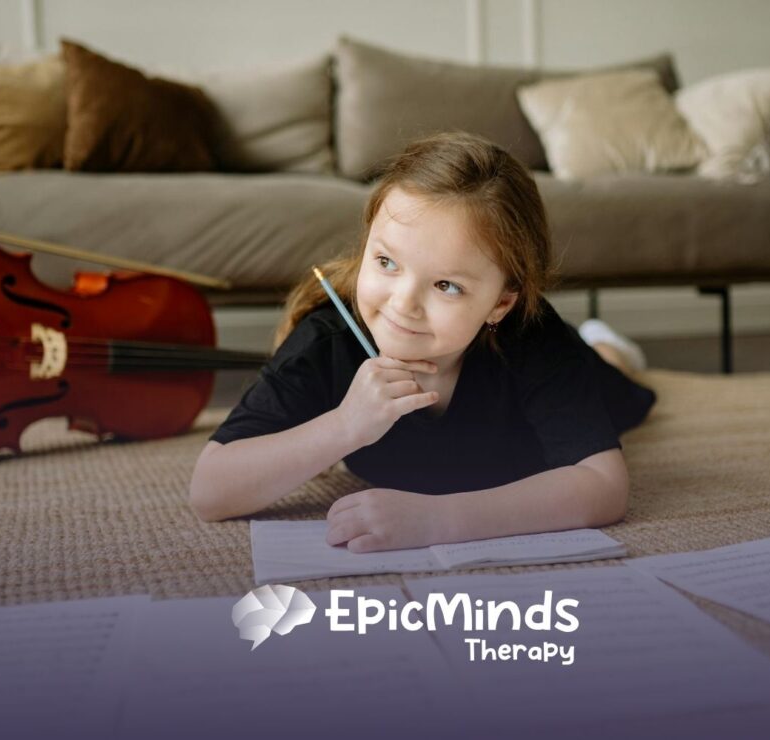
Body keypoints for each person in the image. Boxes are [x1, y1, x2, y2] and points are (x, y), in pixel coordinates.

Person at [189, 131, 656, 553]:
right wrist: (346, 425)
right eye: (387, 262)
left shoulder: (529, 335)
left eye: (446, 286)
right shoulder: (327, 339)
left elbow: (604, 486)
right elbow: (210, 490)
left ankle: (607, 348)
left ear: (500, 303)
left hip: (567, 369)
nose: (402, 304)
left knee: (621, 390)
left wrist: (440, 520)